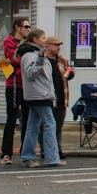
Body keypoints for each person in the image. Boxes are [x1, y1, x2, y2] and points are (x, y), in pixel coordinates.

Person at [17, 28, 65, 168]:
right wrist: (39, 59)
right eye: (43, 37)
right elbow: (30, 74)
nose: (45, 40)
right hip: (39, 95)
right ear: (35, 39)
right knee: (50, 124)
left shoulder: (37, 54)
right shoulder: (30, 55)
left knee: (33, 125)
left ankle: (28, 156)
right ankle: (52, 157)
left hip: (39, 94)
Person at [0, 17, 30, 165]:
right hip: (13, 85)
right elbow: (13, 59)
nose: (28, 30)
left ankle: (26, 151)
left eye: (29, 27)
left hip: (27, 86)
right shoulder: (9, 41)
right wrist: (24, 58)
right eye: (26, 27)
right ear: (17, 27)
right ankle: (6, 153)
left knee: (27, 119)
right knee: (11, 119)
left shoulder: (29, 43)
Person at [44, 36, 74, 159]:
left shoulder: (62, 60)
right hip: (48, 98)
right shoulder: (43, 60)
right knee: (47, 126)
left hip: (61, 97)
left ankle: (57, 149)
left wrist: (71, 73)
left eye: (59, 45)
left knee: (58, 125)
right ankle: (46, 150)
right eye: (56, 45)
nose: (58, 48)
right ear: (48, 46)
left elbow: (68, 75)